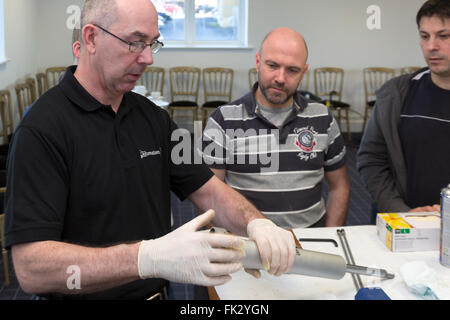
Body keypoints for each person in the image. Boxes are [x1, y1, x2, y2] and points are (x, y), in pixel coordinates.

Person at [4, 0, 296, 300]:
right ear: (91, 38)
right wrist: (145, 258)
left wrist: (256, 222)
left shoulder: (153, 118)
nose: (148, 58)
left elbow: (208, 190)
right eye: (135, 43)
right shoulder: (42, 129)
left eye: (152, 44)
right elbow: (31, 268)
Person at [200, 28, 350, 228]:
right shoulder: (223, 120)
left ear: (303, 72)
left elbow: (339, 187)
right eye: (272, 65)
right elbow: (208, 197)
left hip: (311, 240)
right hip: (247, 243)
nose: (280, 78)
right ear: (257, 62)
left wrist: (331, 238)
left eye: (292, 70)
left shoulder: (322, 117)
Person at [357, 0, 450, 219]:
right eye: (425, 36)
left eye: (443, 36)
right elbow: (371, 160)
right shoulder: (395, 95)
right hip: (401, 226)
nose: (431, 46)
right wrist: (402, 214)